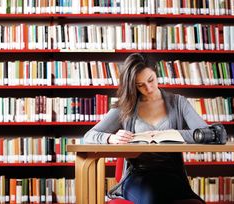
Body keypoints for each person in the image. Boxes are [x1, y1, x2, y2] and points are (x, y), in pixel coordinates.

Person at [84, 53, 208, 204]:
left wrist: (174, 134)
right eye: (140, 85)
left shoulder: (178, 103)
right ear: (132, 85)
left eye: (151, 80)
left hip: (172, 176)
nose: (148, 88)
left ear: (156, 73)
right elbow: (89, 136)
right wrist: (110, 138)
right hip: (138, 175)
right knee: (152, 199)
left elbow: (206, 134)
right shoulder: (126, 107)